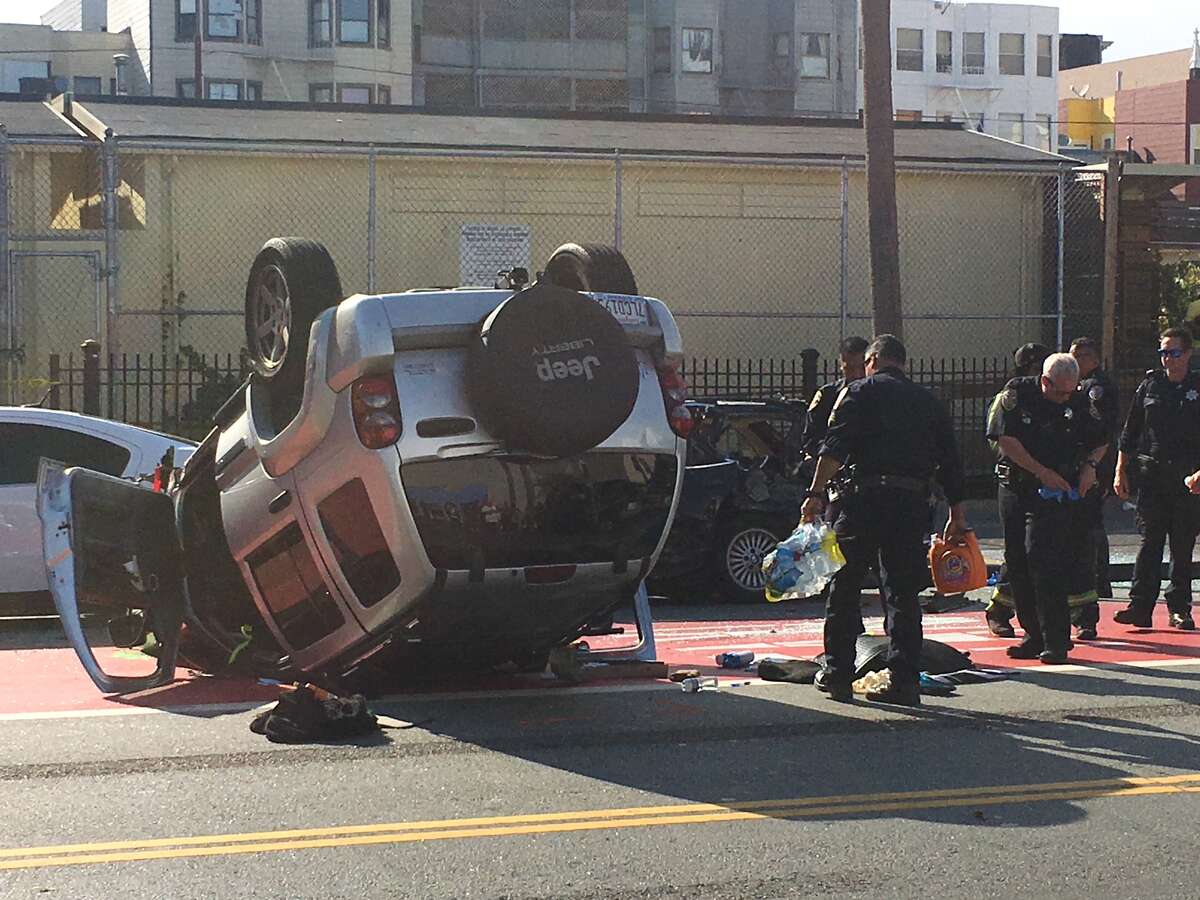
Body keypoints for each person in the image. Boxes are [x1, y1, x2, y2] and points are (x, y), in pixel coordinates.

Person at [800, 335, 968, 707]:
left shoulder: (859, 393)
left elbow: (834, 448)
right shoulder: (929, 401)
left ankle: (838, 672)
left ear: (873, 360)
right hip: (910, 504)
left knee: (844, 587)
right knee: (902, 592)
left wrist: (814, 494)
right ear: (903, 363)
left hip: (863, 501)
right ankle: (905, 679)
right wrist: (957, 513)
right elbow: (952, 463)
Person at [989, 354, 1109, 664]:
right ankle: (1033, 635)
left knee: (1043, 559)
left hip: (1054, 495)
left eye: (1070, 392)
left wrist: (1090, 467)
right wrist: (1041, 472)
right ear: (1044, 381)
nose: (1065, 398)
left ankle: (1057, 640)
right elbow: (1006, 440)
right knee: (1017, 560)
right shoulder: (1018, 394)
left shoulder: (1079, 399)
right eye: (1059, 392)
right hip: (1018, 486)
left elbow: (1102, 439)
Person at [1112, 327, 1200, 632]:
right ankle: (1140, 606)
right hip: (1152, 477)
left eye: (1174, 352)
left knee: (1182, 545)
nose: (1167, 359)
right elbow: (1130, 431)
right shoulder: (1150, 385)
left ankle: (1179, 609)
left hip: (1189, 479)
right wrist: (1120, 470)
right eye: (1163, 352)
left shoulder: (1197, 386)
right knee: (1149, 543)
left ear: (1188, 354)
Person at [984, 342, 1051, 637]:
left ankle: (1044, 617)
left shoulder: (1055, 395)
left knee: (1040, 551)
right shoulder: (1010, 397)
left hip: (1048, 484)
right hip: (1017, 480)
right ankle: (1000, 609)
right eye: (1031, 367)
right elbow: (997, 439)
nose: (1035, 372)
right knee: (1019, 551)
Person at [1067, 337, 1119, 640]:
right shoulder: (1076, 384)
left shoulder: (1096, 388)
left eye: (1080, 356)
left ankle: (1101, 582)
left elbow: (1103, 432)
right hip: (1078, 467)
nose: (1076, 361)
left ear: (1094, 358)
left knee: (1091, 529)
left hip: (1094, 467)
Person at [800, 336, 869, 464]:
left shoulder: (877, 393)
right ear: (841, 364)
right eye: (850, 369)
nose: (857, 375)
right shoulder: (827, 395)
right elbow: (810, 438)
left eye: (862, 368)